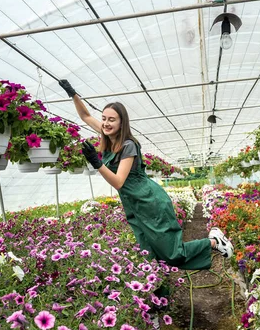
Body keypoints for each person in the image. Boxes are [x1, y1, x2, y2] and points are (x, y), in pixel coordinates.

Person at [58, 80, 234, 271]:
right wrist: (72, 93)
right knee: (148, 257)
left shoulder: (128, 146)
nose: (106, 123)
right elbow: (85, 115)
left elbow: (118, 182)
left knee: (173, 254)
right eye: (104, 119)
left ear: (122, 122)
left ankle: (213, 242)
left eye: (112, 119)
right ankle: (160, 297)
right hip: (134, 205)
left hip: (150, 202)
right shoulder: (106, 135)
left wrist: (97, 162)